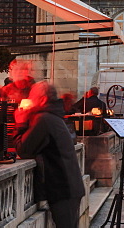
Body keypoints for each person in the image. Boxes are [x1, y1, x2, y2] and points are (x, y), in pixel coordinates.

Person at [13, 82, 86, 228]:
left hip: (63, 189)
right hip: (69, 187)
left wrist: (20, 123)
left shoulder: (44, 119)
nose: (29, 101)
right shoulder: (53, 116)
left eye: (32, 97)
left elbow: (25, 149)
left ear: (43, 99)